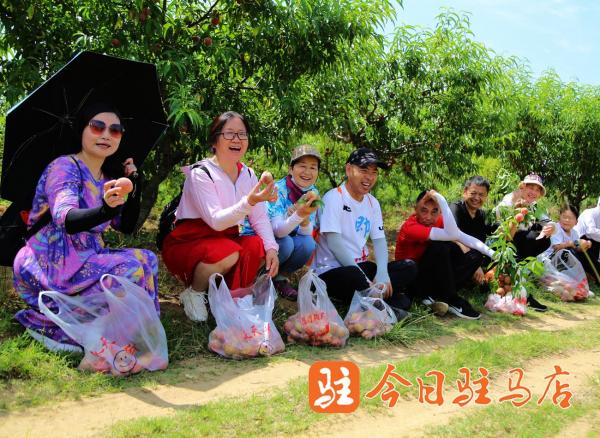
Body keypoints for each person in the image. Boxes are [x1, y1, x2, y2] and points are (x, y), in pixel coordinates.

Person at [13, 102, 158, 353]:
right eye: (97, 127)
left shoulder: (107, 178)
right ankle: (68, 331)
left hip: (86, 257)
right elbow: (66, 219)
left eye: (115, 130)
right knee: (130, 269)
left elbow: (125, 226)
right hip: (51, 261)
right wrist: (105, 210)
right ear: (81, 129)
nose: (106, 135)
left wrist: (135, 184)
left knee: (148, 259)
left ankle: (122, 334)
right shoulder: (64, 167)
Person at [161, 111, 279, 322]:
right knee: (228, 252)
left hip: (226, 239)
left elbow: (259, 218)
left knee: (255, 246)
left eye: (242, 134)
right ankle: (195, 292)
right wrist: (249, 201)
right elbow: (215, 221)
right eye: (229, 133)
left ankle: (232, 297)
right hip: (190, 241)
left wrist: (271, 248)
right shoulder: (201, 173)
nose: (237, 139)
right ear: (215, 140)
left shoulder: (248, 174)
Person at [312, 148, 417, 320]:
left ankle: (372, 300)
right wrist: (364, 279)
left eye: (374, 172)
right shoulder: (334, 198)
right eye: (363, 170)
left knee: (409, 267)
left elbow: (379, 240)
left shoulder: (372, 202)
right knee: (355, 276)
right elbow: (334, 243)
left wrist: (382, 273)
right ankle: (385, 304)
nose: (369, 177)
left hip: (360, 267)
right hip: (332, 271)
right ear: (348, 169)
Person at [395, 190, 495, 320]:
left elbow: (462, 237)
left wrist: (495, 254)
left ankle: (438, 295)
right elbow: (452, 234)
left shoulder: (439, 220)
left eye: (434, 211)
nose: (428, 217)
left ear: (440, 212)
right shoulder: (410, 227)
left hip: (433, 272)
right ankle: (451, 298)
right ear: (415, 209)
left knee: (475, 256)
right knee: (440, 246)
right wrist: (441, 200)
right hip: (413, 276)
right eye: (424, 210)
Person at [266, 144, 321, 300]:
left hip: (289, 238)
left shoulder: (313, 193)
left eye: (313, 167)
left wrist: (303, 218)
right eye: (302, 166)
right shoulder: (278, 190)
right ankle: (261, 277)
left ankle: (279, 278)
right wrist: (297, 215)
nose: (307, 172)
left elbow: (307, 232)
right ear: (291, 169)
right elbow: (277, 231)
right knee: (286, 243)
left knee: (308, 244)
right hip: (270, 240)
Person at [494, 173, 555, 311]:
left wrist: (551, 227)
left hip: (520, 243)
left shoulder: (534, 206)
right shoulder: (510, 199)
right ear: (522, 187)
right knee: (522, 240)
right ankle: (519, 293)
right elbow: (499, 215)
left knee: (543, 239)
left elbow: (548, 221)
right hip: (505, 239)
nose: (533, 192)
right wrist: (515, 205)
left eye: (537, 190)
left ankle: (521, 289)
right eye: (530, 188)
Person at [450, 176, 497, 285]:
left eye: (481, 195)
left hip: (475, 258)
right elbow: (452, 236)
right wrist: (474, 263)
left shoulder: (483, 215)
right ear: (465, 192)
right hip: (457, 257)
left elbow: (503, 233)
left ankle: (487, 278)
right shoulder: (455, 208)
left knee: (502, 249)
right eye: (473, 193)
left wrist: (516, 218)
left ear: (486, 196)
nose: (476, 198)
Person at [574, 198, 600, 282]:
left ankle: (592, 274)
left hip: (592, 245)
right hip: (579, 244)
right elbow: (590, 231)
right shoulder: (589, 213)